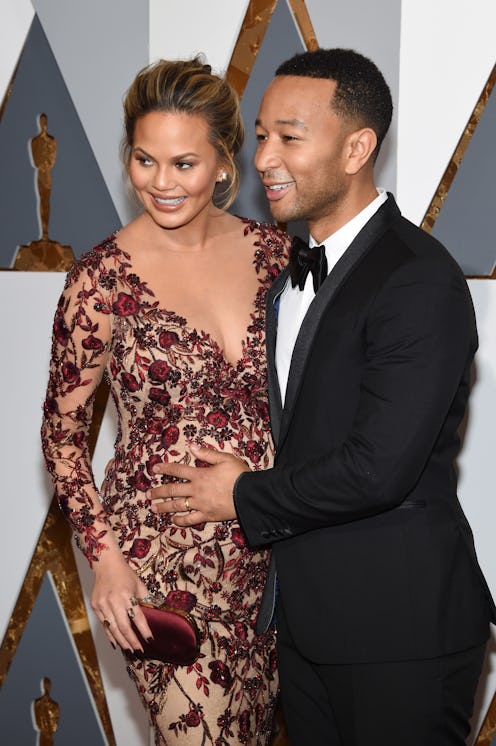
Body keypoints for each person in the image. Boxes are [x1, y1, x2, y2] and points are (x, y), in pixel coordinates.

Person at [149, 48, 496, 745]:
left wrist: (241, 495)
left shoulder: (417, 280)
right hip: (305, 627)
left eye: (289, 137)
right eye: (261, 136)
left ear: (357, 149)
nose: (263, 158)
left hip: (399, 631)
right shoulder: (289, 275)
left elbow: (378, 468)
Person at [41, 57, 290, 745]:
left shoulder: (277, 255)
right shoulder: (100, 280)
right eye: (145, 160)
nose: (160, 182)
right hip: (158, 560)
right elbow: (61, 438)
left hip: (269, 555)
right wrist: (107, 561)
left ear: (223, 163)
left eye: (184, 163)